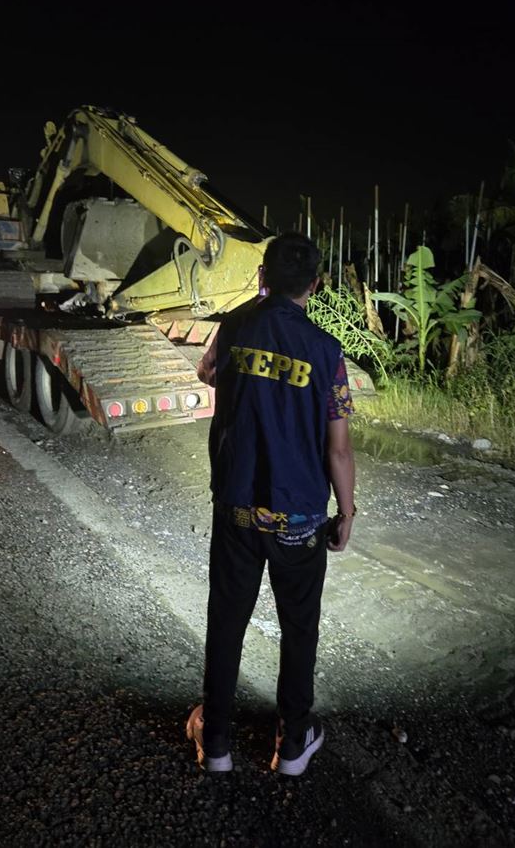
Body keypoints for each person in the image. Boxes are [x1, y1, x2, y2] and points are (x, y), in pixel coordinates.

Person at [186, 232, 356, 775]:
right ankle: (293, 744)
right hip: (301, 516)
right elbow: (339, 446)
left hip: (237, 506)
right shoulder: (327, 352)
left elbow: (205, 372)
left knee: (227, 620)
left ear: (262, 277)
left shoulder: (235, 326)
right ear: (315, 284)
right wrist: (346, 512)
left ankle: (216, 743)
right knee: (299, 626)